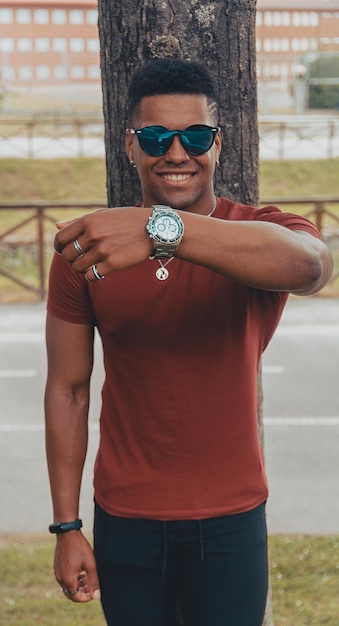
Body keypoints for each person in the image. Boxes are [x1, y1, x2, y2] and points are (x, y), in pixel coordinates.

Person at [44, 58, 333, 626]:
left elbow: (312, 267)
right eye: (156, 136)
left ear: (218, 144)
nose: (176, 152)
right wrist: (67, 527)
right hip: (125, 515)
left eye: (195, 135)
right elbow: (68, 390)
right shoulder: (93, 248)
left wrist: (161, 230)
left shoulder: (258, 233)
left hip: (231, 516)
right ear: (131, 146)